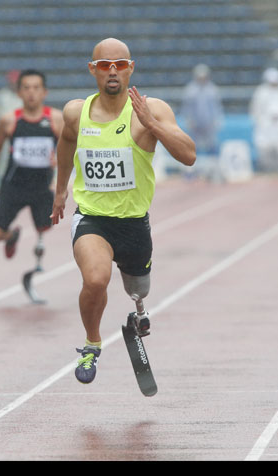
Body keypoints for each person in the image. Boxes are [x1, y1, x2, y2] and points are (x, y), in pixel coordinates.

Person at [50, 38, 196, 385]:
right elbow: (67, 141)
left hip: (134, 224)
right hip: (92, 218)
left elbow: (189, 155)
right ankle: (91, 344)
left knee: (138, 289)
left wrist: (153, 124)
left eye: (119, 64)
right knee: (96, 278)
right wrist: (59, 190)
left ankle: (139, 312)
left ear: (131, 68)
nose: (112, 71)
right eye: (104, 65)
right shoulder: (75, 112)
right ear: (93, 70)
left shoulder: (153, 109)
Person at [0, 69, 63, 261]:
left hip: (42, 189)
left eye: (36, 88)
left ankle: (39, 238)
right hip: (12, 188)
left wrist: (60, 160)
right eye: (26, 88)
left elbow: (71, 146)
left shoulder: (56, 119)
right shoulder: (9, 120)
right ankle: (11, 236)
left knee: (45, 225)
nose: (31, 93)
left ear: (45, 92)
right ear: (18, 93)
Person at [250, 67, 278, 174]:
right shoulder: (261, 92)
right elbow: (256, 109)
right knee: (265, 147)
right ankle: (267, 170)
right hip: (266, 124)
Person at [181, 63, 224, 172]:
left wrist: (217, 119)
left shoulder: (212, 89)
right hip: (195, 124)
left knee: (212, 146)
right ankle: (191, 170)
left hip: (209, 124)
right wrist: (189, 120)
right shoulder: (191, 90)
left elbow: (217, 106)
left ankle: (214, 169)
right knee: (193, 147)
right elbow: (187, 107)